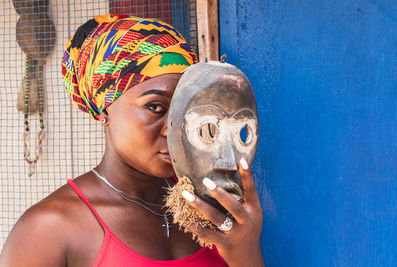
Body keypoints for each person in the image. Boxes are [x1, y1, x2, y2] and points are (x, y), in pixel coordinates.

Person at [0, 15, 265, 267]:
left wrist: (248, 255)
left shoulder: (213, 208)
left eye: (183, 112)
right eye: (156, 108)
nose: (175, 130)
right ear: (104, 110)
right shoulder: (49, 229)